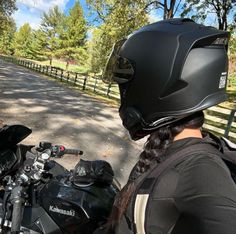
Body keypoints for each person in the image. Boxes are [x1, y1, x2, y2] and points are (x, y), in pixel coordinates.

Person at [97, 18, 236, 234]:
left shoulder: (203, 171)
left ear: (155, 83)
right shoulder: (167, 147)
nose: (122, 96)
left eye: (125, 87)